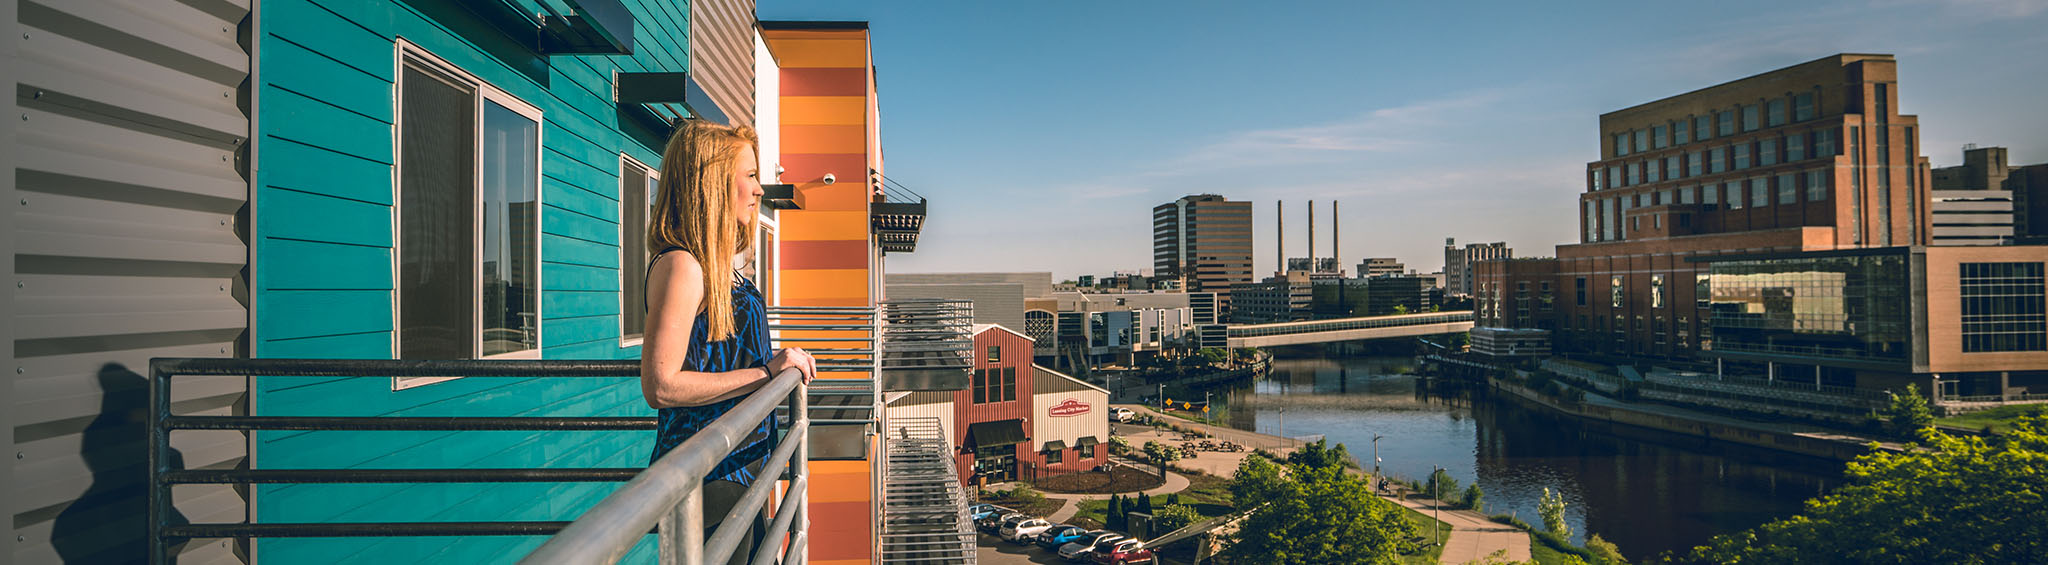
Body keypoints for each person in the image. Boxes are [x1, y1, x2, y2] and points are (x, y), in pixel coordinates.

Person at [639, 119, 815, 565]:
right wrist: (767, 372)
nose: (759, 190)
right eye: (750, 176)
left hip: (736, 469)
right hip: (710, 476)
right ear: (714, 183)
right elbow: (660, 385)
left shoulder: (713, 266)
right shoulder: (683, 266)